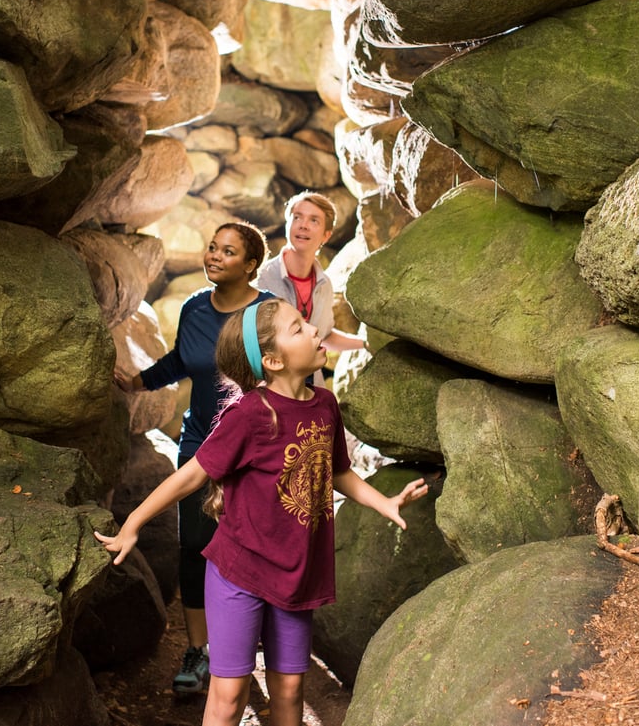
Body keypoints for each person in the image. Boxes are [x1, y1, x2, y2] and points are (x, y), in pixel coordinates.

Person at [97, 298, 428, 726]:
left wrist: (383, 501)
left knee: (290, 690)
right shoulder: (251, 414)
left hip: (297, 573)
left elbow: (337, 471)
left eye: (307, 323)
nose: (313, 331)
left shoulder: (325, 404)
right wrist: (134, 522)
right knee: (229, 696)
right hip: (241, 573)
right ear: (272, 361)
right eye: (298, 328)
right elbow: (192, 475)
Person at [114, 221, 276, 696]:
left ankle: (246, 647)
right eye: (211, 248)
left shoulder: (267, 313)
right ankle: (198, 651)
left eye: (228, 252)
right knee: (195, 547)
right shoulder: (193, 308)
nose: (214, 256)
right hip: (200, 441)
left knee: (248, 546)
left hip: (254, 448)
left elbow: (288, 377)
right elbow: (183, 362)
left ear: (250, 266)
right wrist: (137, 382)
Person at [256, 191, 368, 384]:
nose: (303, 225)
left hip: (310, 386)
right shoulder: (261, 278)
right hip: (268, 386)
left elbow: (324, 336)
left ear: (326, 235)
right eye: (297, 217)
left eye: (314, 220)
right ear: (287, 224)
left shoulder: (324, 284)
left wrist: (365, 344)